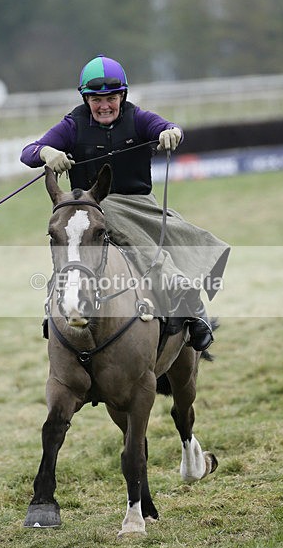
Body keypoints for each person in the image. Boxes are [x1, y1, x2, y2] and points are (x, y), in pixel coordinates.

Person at [21, 55, 230, 351]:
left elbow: (169, 127)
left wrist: (171, 133)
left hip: (140, 206)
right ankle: (53, 308)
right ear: (86, 99)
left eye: (111, 98)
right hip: (90, 209)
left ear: (123, 96)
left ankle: (191, 304)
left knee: (131, 221)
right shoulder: (72, 125)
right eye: (96, 99)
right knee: (72, 235)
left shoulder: (138, 118)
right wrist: (46, 153)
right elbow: (28, 152)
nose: (104, 105)